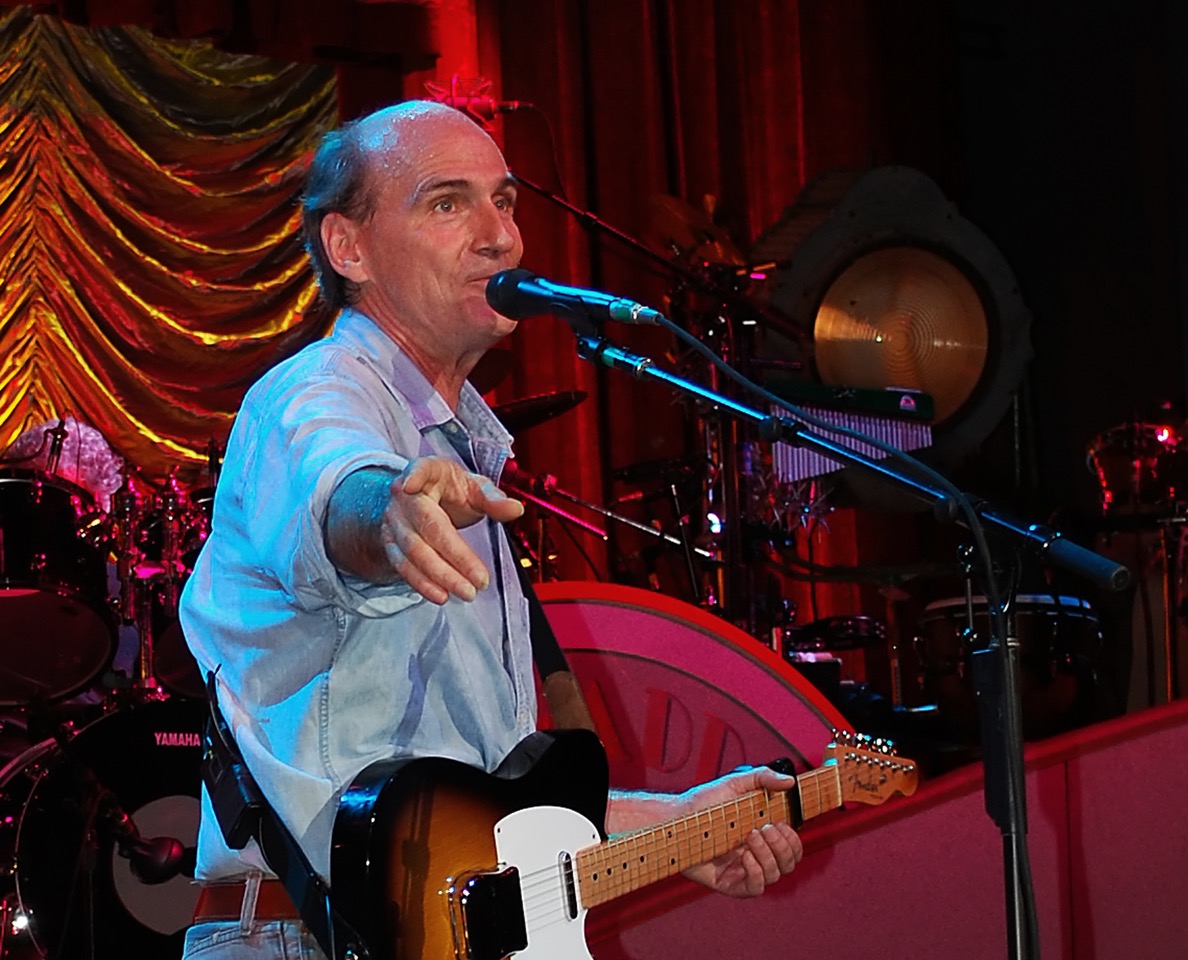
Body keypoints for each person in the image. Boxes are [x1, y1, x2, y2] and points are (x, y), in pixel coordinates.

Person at [178, 100, 802, 959]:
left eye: (504, 202)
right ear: (347, 247)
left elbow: (471, 823)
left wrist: (678, 826)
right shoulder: (318, 392)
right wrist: (391, 514)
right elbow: (343, 493)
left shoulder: (463, 446)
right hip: (306, 940)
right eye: (447, 203)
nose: (500, 236)